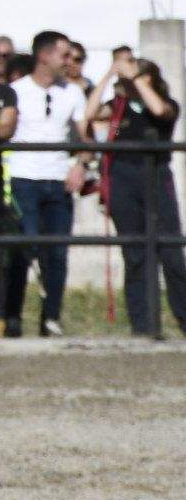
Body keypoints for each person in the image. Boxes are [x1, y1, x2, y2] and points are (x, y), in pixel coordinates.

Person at [92, 52, 184, 339]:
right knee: (134, 254)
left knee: (170, 253)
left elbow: (158, 110)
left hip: (155, 178)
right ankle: (142, 324)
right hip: (123, 179)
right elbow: (90, 114)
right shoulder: (119, 107)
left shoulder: (166, 105)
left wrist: (135, 78)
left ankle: (182, 317)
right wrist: (109, 75)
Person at [6, 30, 83, 339]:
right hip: (24, 179)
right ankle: (12, 317)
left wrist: (81, 164)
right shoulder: (15, 91)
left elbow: (83, 135)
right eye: (64, 55)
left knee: (58, 253)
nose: (69, 62)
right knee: (23, 250)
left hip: (58, 181)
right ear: (44, 56)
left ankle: (51, 317)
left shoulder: (73, 93)